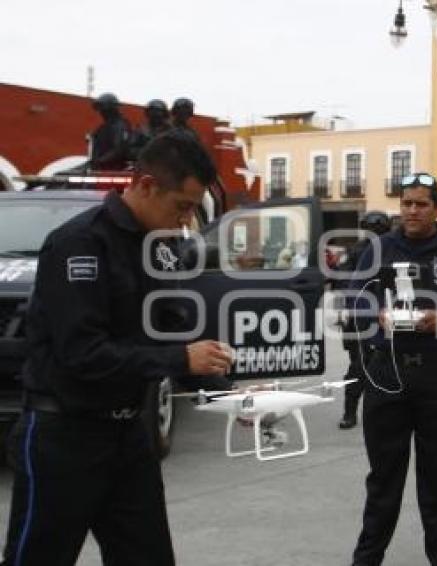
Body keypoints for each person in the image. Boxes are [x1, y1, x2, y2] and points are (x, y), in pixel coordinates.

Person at [1, 131, 235, 566]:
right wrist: (180, 358)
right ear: (145, 185)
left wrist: (227, 391)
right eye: (182, 206)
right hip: (64, 438)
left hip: (129, 437)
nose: (186, 222)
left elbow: (168, 328)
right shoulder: (79, 244)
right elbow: (83, 355)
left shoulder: (159, 246)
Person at [349, 172, 437, 566]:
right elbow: (353, 296)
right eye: (406, 203)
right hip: (386, 375)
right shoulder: (378, 249)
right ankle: (366, 559)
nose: (411, 211)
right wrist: (374, 314)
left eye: (421, 204)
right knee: (383, 479)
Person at [337, 210, 392, 430]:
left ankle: (375, 411)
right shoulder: (355, 252)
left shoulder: (392, 251)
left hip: (385, 317)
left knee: (382, 365)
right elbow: (342, 281)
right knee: (359, 366)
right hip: (361, 317)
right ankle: (350, 411)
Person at [88, 92, 132, 171]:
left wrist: (100, 161)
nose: (101, 112)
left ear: (110, 109)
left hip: (116, 171)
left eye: (103, 109)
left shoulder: (121, 126)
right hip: (101, 170)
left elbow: (119, 149)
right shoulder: (102, 129)